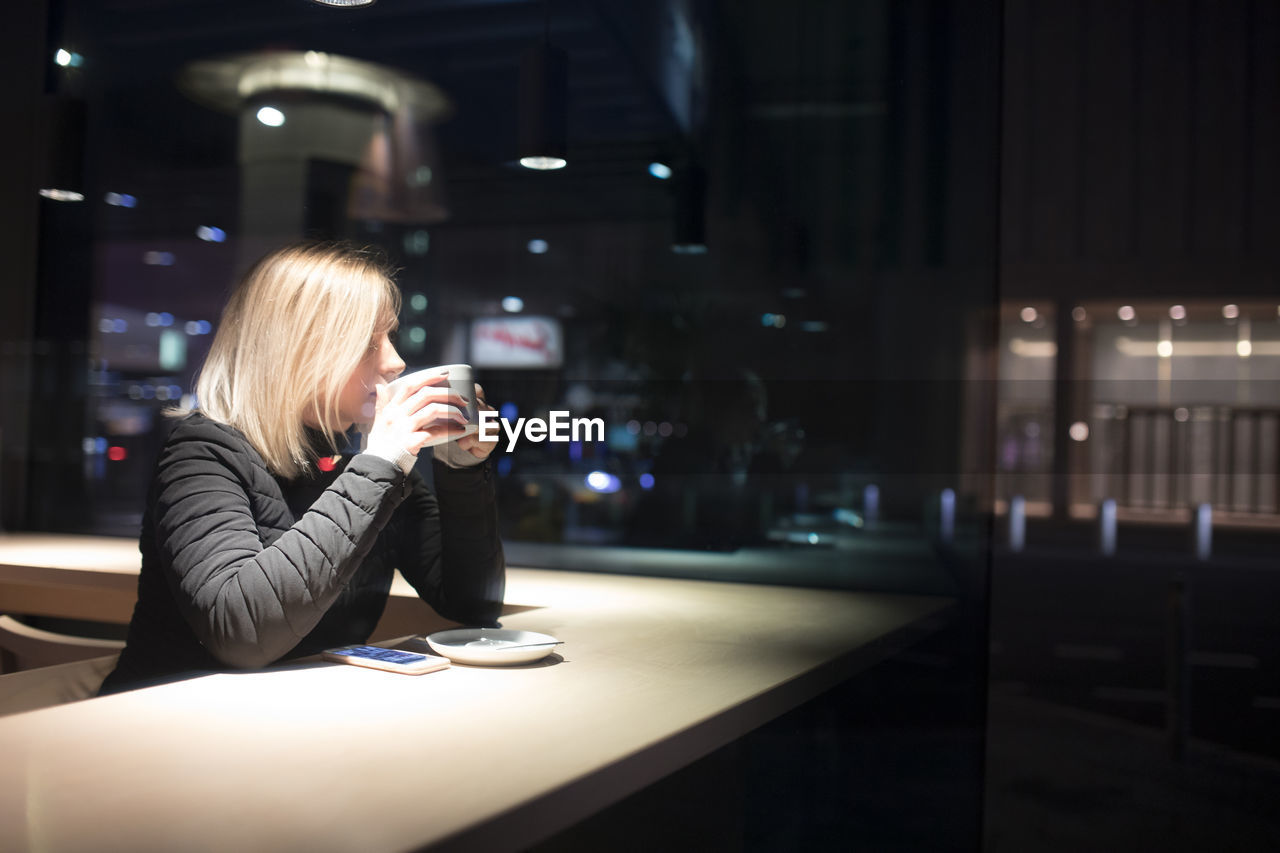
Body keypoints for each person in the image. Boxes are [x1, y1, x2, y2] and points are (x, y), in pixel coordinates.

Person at [100, 242, 504, 694]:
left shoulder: (362, 458)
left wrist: (462, 469)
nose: (395, 362)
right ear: (298, 352)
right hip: (170, 720)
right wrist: (382, 462)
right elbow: (242, 634)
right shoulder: (202, 450)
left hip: (301, 716)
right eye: (370, 343)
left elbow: (473, 602)